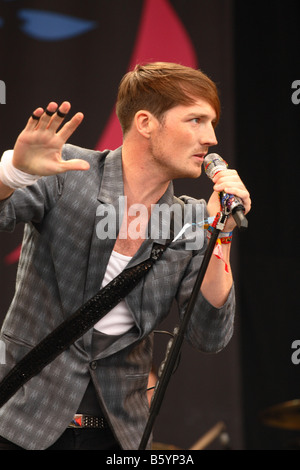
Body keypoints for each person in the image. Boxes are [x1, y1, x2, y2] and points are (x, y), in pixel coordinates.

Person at [0, 62, 251, 450]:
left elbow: (209, 334)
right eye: (196, 120)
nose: (212, 138)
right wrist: (13, 174)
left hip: (120, 437)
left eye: (212, 123)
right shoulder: (69, 170)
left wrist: (221, 234)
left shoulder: (191, 220)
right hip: (23, 425)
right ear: (146, 122)